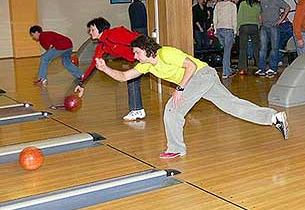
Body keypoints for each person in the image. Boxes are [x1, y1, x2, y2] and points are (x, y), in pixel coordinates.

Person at [94, 35, 289, 158]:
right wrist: (105, 68)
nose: (135, 57)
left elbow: (191, 66)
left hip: (201, 75)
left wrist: (180, 89)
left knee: (172, 110)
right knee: (232, 105)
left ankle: (176, 148)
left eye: (136, 52)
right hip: (203, 78)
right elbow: (124, 76)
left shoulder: (165, 53)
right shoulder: (147, 65)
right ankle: (274, 117)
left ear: (146, 49)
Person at [74, 17, 145, 121]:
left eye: (92, 29)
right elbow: (94, 64)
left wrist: (147, 54)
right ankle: (137, 110)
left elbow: (136, 39)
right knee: (131, 79)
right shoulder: (102, 45)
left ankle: (137, 110)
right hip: (136, 60)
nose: (90, 32)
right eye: (89, 30)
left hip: (145, 56)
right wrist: (81, 84)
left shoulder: (114, 34)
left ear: (101, 29)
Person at [257, 0, 289, 76]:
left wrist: (280, 20)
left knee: (274, 48)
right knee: (262, 48)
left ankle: (273, 68)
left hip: (274, 27)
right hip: (264, 27)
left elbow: (287, 7)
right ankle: (261, 68)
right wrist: (260, 19)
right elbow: (261, 11)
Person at [213, 0, 238, 78]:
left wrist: (215, 30)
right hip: (228, 30)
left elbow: (214, 18)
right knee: (227, 52)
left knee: (225, 52)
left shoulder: (218, 5)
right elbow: (234, 19)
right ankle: (225, 72)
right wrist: (235, 32)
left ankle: (228, 69)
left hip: (220, 30)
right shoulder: (232, 6)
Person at [237, 0, 261, 75]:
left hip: (244, 26)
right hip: (254, 26)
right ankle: (260, 66)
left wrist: (237, 29)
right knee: (256, 48)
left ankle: (242, 68)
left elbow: (239, 17)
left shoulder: (243, 4)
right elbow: (259, 17)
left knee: (243, 48)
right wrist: (258, 27)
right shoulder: (257, 5)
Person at [278, 0, 299, 66]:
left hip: (285, 23)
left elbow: (278, 10)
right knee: (293, 43)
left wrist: (283, 18)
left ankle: (279, 59)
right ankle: (294, 60)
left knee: (280, 43)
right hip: (294, 23)